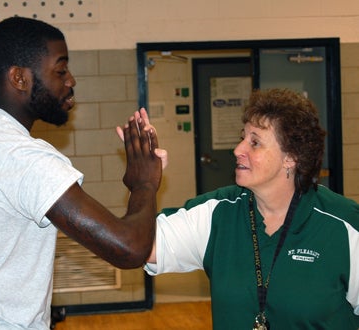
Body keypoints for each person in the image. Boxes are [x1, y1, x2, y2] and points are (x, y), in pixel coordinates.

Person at [0, 17, 163, 330]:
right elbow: (129, 248)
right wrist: (144, 183)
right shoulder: (17, 154)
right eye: (60, 70)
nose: (71, 80)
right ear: (19, 78)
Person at [143, 88, 359, 329]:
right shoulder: (218, 212)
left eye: (254, 142)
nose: (238, 150)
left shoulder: (344, 225)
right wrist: (143, 186)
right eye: (242, 137)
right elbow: (139, 247)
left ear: (291, 157)